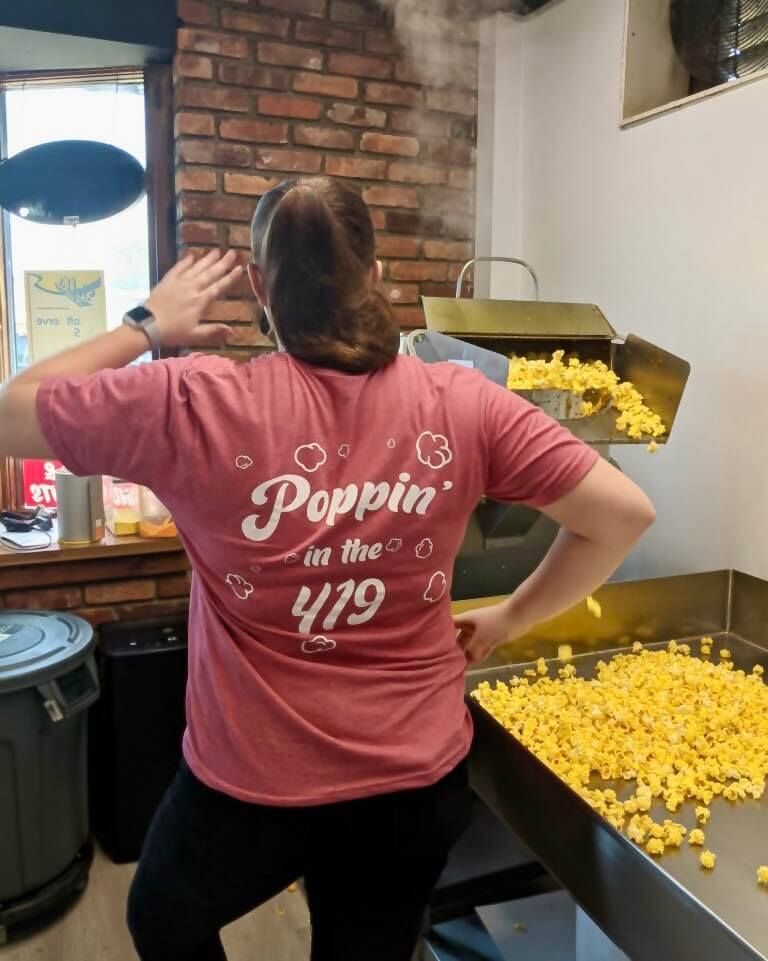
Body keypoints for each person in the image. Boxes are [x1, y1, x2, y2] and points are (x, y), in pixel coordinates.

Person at [0, 176, 655, 961]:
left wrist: (150, 324)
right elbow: (622, 515)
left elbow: (13, 407)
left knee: (163, 914)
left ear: (257, 287)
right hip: (411, 787)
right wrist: (512, 615)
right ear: (375, 276)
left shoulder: (194, 403)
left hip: (248, 794)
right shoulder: (465, 402)